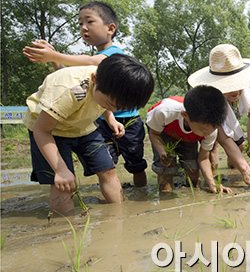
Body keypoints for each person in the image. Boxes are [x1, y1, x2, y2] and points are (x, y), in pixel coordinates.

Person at [22, 1, 148, 187]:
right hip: (96, 118)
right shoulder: (90, 76)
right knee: (107, 164)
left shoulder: (113, 56)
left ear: (110, 28)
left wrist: (54, 55)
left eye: (89, 21)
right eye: (80, 23)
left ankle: (139, 191)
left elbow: (92, 62)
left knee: (132, 162)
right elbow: (82, 84)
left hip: (122, 120)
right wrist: (56, 62)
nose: (83, 28)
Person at [23, 54, 154, 214]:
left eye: (119, 108)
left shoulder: (107, 88)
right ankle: (64, 226)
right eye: (110, 104)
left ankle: (119, 216)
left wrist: (111, 118)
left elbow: (106, 104)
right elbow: (41, 131)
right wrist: (61, 170)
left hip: (84, 126)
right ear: (94, 79)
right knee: (63, 183)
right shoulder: (69, 90)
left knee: (107, 170)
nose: (114, 109)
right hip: (50, 131)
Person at [187, 44, 250, 189]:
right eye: (229, 86)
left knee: (239, 146)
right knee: (212, 147)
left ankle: (231, 166)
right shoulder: (210, 98)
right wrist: (246, 170)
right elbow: (224, 138)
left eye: (238, 84)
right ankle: (210, 178)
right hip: (206, 124)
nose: (235, 92)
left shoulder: (246, 93)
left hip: (220, 122)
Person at [146, 86, 232, 194]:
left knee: (192, 171)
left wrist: (212, 183)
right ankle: (165, 193)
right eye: (203, 130)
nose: (207, 134)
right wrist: (162, 151)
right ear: (185, 115)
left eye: (211, 130)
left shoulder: (211, 130)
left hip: (188, 137)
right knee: (166, 169)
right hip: (163, 131)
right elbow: (154, 134)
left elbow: (203, 158)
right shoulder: (164, 112)